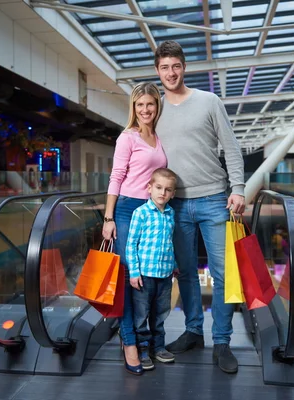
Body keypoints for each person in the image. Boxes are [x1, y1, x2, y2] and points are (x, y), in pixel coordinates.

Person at [153, 40, 246, 374]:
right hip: (174, 205)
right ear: (157, 70)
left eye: (175, 66)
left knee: (223, 275)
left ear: (184, 67)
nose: (171, 72)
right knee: (186, 274)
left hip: (213, 200)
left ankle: (222, 341)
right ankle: (194, 332)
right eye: (164, 67)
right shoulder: (156, 109)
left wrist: (238, 188)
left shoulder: (209, 101)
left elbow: (232, 148)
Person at [102, 82, 166, 376]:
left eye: (150, 104)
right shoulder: (127, 137)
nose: (145, 110)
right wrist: (108, 218)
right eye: (140, 105)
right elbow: (116, 177)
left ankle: (146, 340)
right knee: (128, 278)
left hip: (153, 212)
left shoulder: (158, 137)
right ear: (133, 107)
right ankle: (129, 342)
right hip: (128, 209)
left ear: (157, 106)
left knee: (146, 278)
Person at [125, 168, 178, 371]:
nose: (162, 193)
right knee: (141, 315)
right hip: (144, 276)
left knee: (160, 313)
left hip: (164, 275)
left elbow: (168, 243)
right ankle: (143, 349)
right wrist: (134, 272)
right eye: (158, 188)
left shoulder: (171, 213)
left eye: (167, 190)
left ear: (172, 193)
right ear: (149, 188)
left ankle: (159, 347)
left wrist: (174, 265)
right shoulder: (141, 213)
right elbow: (132, 244)